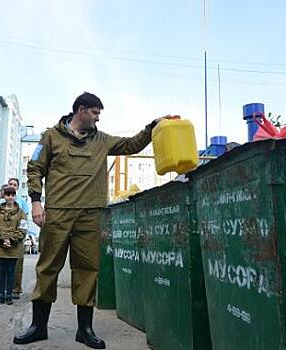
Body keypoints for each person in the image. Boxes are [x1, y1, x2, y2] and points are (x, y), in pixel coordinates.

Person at [13, 92, 176, 349]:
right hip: (57, 212)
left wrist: (152, 127)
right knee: (48, 268)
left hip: (90, 214)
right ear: (81, 110)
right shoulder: (51, 136)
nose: (98, 118)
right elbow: (35, 168)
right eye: (95, 113)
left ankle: (85, 330)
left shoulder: (102, 140)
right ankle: (38, 327)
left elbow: (131, 145)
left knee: (88, 270)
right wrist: (35, 201)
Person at [0, 186, 27, 305]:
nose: (10, 197)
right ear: (4, 196)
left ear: (15, 196)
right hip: (0, 246)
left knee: (11, 271)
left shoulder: (21, 213)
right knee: (1, 271)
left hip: (14, 247)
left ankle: (9, 295)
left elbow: (23, 228)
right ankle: (0, 295)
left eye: (12, 195)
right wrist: (1, 239)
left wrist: (11, 240)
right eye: (7, 195)